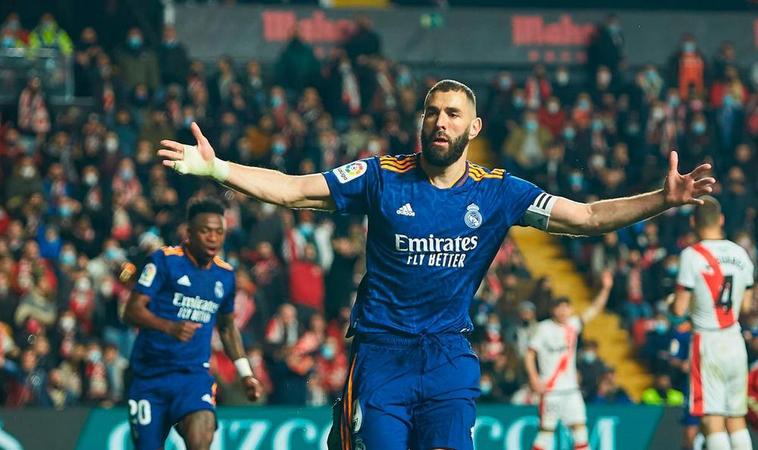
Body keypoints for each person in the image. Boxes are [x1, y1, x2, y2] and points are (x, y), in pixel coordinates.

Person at [157, 79, 715, 450]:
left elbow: (588, 218)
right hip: (381, 356)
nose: (440, 122)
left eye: (453, 114)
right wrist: (217, 170)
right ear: (421, 121)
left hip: (449, 355)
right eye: (432, 112)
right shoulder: (381, 174)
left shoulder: (500, 191)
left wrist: (662, 200)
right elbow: (297, 190)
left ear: (474, 128)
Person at [123, 198, 262, 450]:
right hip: (149, 377)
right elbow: (131, 311)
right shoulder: (164, 261)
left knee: (202, 432)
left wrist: (246, 374)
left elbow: (228, 327)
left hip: (193, 375)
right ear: (188, 233)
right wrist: (169, 327)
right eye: (205, 231)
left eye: (219, 232)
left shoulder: (225, 275)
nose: (213, 238)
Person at [673, 196, 755, 450]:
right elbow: (746, 306)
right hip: (735, 339)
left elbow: (679, 309)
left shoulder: (691, 255)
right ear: (721, 220)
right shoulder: (740, 253)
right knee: (736, 419)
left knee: (712, 419)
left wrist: (671, 303)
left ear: (693, 221)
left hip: (707, 342)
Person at [525, 270, 613, 450]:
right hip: (550, 390)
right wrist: (534, 378)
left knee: (580, 433)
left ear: (570, 309)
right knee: (545, 435)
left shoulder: (572, 326)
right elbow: (529, 354)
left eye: (567, 307)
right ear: (553, 310)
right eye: (560, 307)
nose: (564, 310)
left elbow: (594, 309)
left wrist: (606, 288)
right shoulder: (543, 329)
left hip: (571, 390)